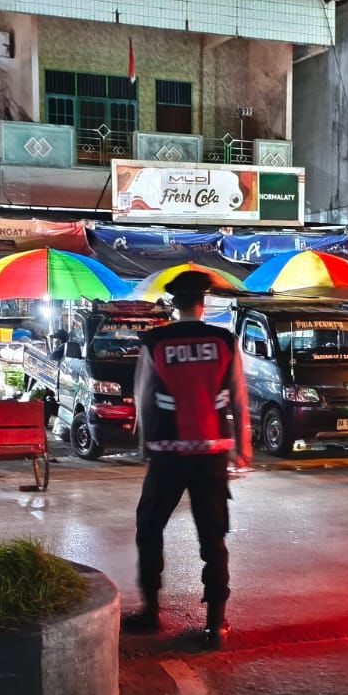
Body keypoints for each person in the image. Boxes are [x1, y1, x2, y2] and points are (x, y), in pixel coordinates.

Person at [123, 271, 253, 649]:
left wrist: (145, 445)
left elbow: (143, 396)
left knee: (149, 528)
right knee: (213, 537)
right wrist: (242, 448)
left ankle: (150, 611)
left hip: (167, 452)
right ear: (204, 303)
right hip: (212, 452)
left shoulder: (156, 340)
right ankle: (215, 625)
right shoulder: (224, 340)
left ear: (173, 304)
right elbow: (239, 397)